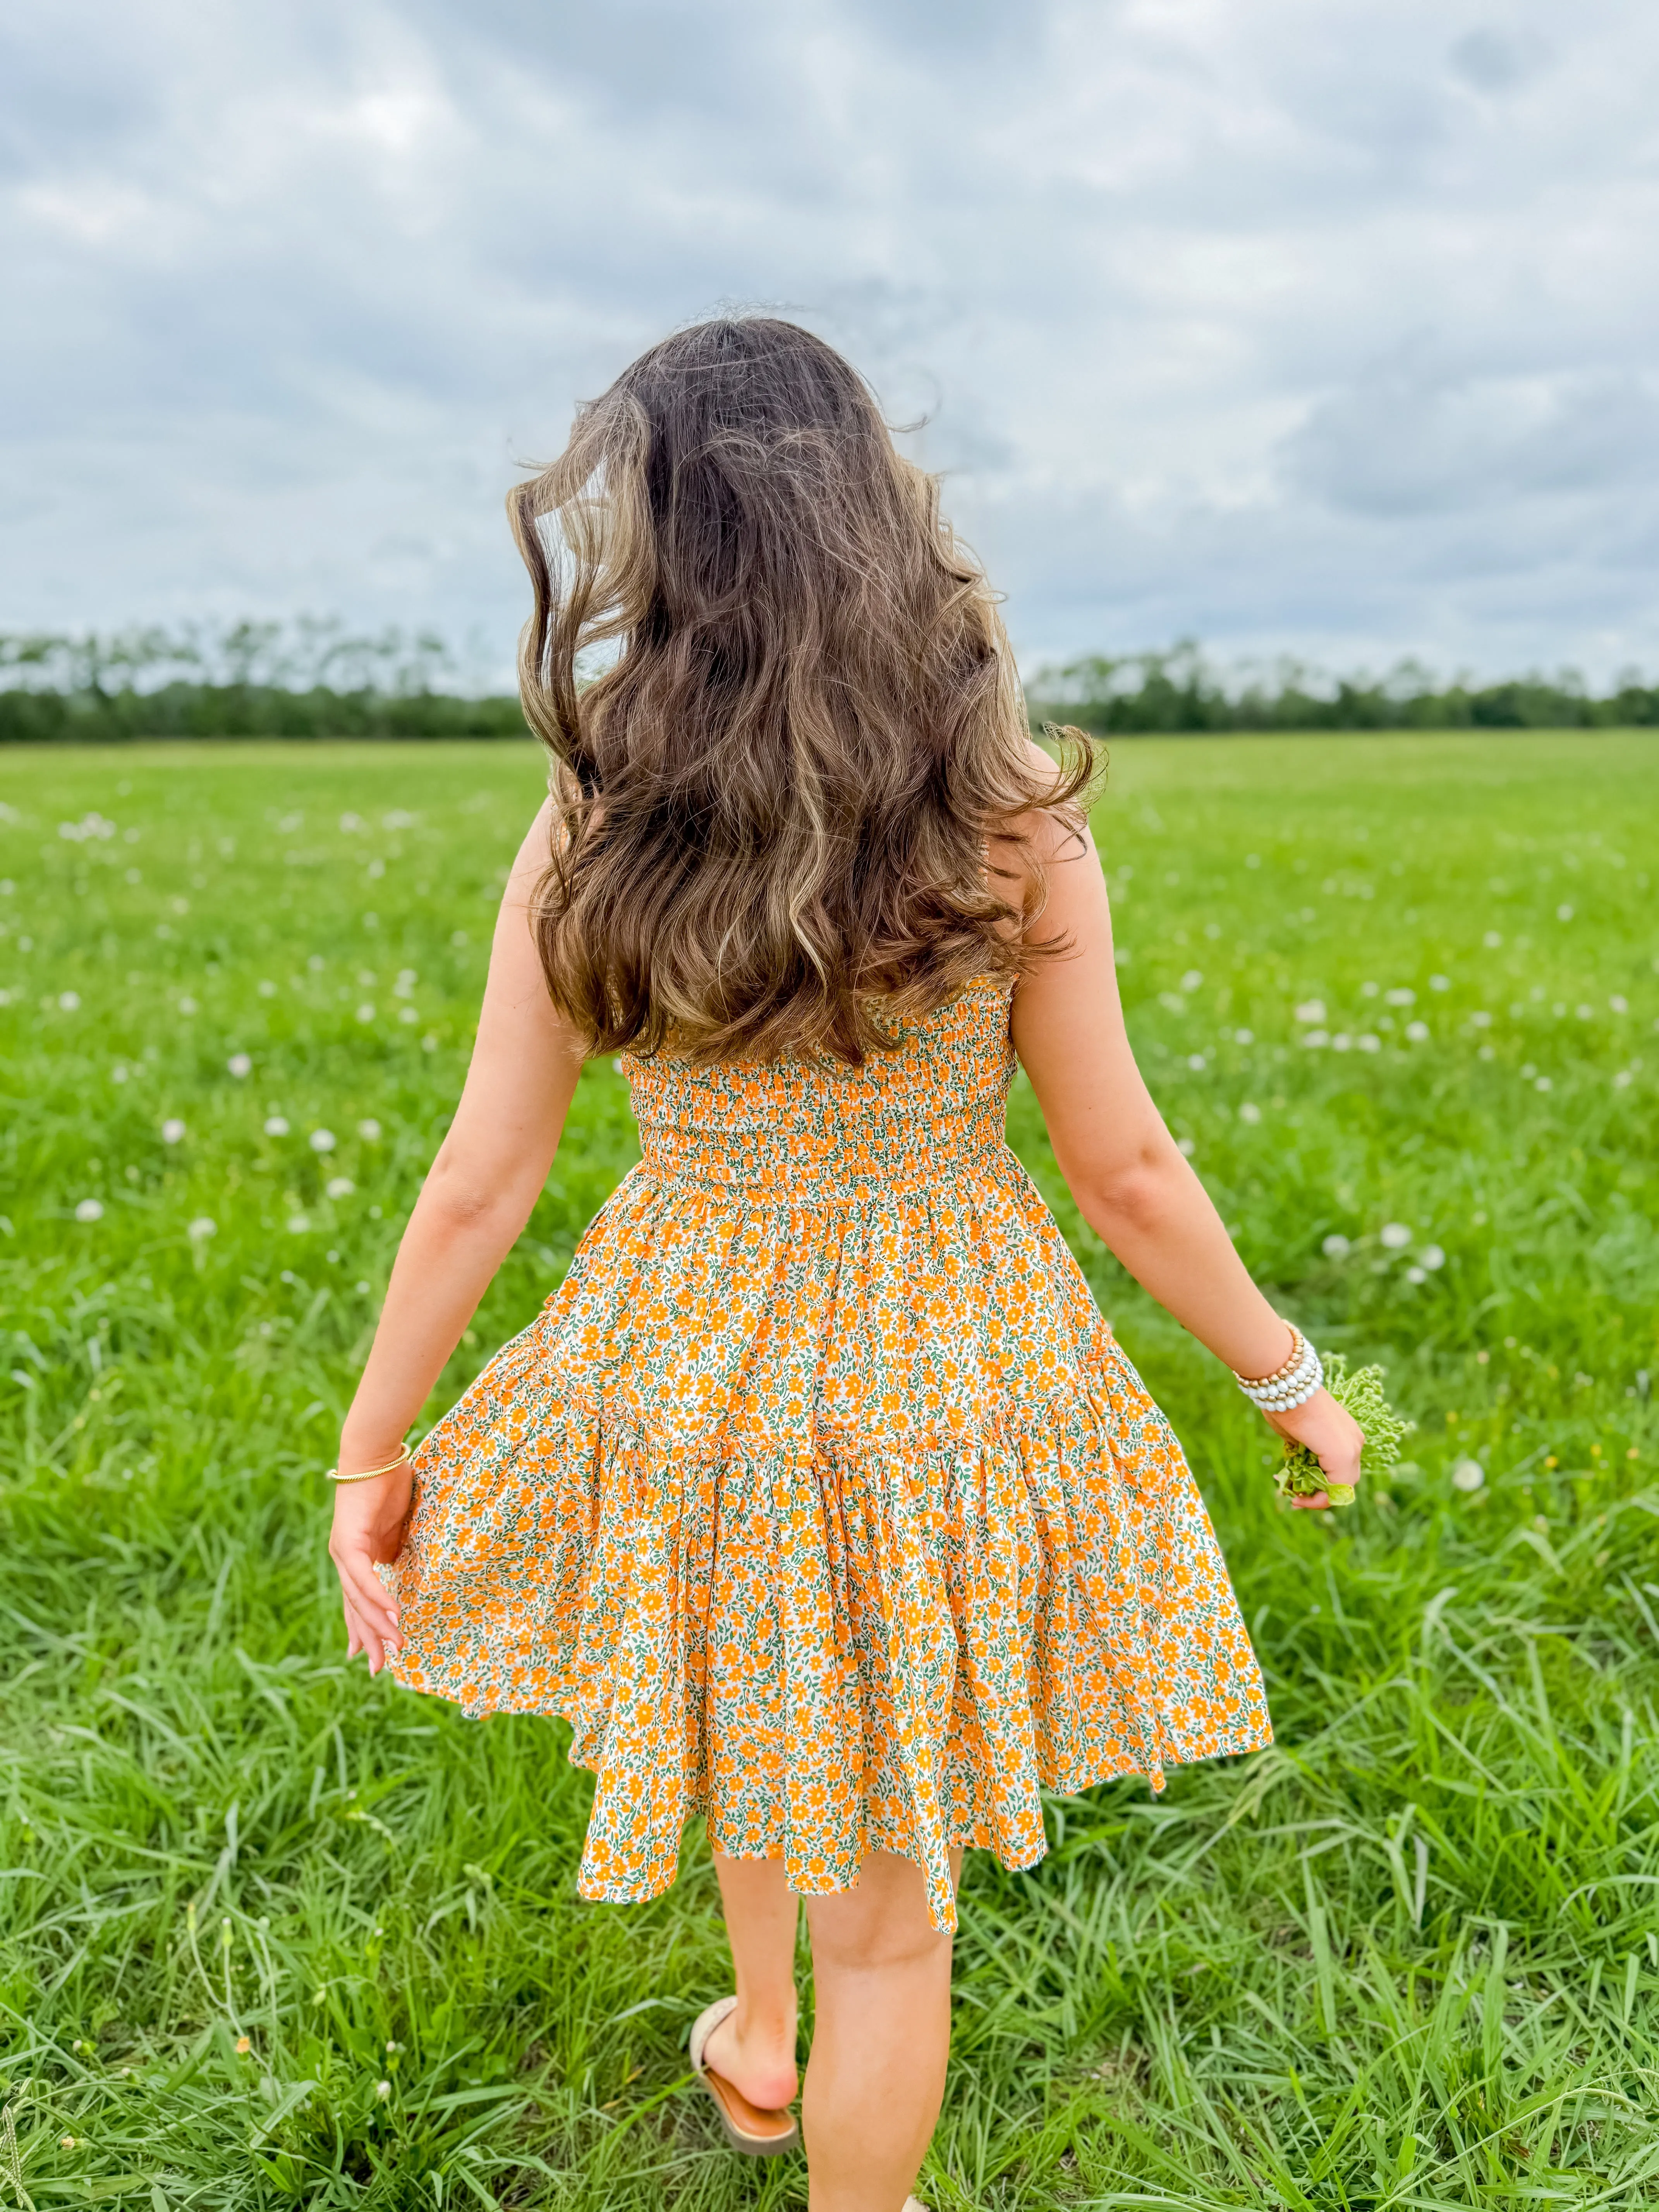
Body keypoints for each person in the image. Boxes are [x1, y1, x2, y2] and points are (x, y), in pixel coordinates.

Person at [325, 316, 1364, 2212]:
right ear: (878, 514)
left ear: (657, 529)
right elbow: (1122, 1169)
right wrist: (1287, 1375)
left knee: (745, 1698)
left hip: (686, 1361)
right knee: (889, 1923)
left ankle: (760, 2042)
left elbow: (484, 1178)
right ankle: (802, 2046)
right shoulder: (1006, 808)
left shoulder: (598, 812)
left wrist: (368, 1455)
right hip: (937, 1364)